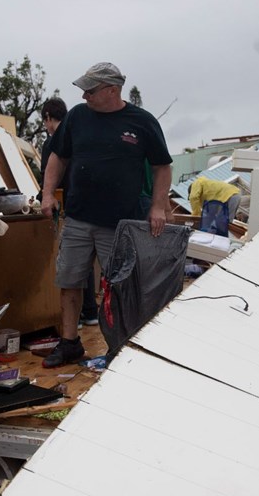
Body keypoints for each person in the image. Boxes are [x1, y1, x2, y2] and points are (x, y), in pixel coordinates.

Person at [40, 62, 173, 367]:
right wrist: (47, 194)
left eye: (91, 90)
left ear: (112, 90)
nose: (84, 95)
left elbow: (162, 167)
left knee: (118, 286)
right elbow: (59, 157)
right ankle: (70, 342)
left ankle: (118, 346)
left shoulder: (142, 122)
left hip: (120, 223)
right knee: (70, 280)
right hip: (78, 218)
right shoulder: (76, 117)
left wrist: (158, 206)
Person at [40, 97, 99, 327]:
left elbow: (49, 174)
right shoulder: (81, 133)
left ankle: (75, 319)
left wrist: (45, 195)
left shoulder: (55, 141)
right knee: (86, 259)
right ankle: (90, 311)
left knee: (72, 264)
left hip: (68, 206)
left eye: (45, 121)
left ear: (47, 118)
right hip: (88, 203)